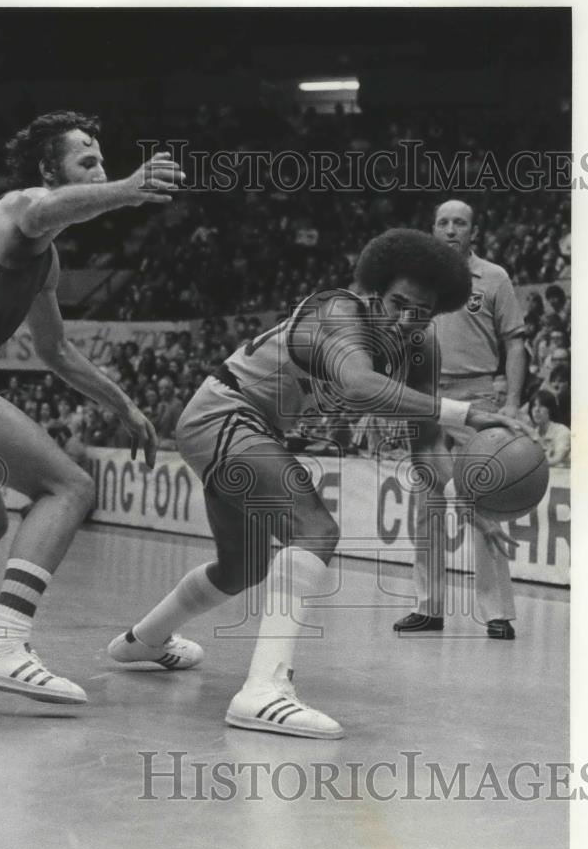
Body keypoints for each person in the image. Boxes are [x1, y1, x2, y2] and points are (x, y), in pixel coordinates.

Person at [105, 229, 524, 738]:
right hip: (225, 412)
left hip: (247, 426)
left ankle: (143, 640)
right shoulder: (338, 311)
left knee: (243, 567)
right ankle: (263, 690)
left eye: (420, 311)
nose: (404, 318)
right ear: (373, 291)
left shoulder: (420, 351)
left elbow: (426, 445)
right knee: (316, 531)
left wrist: (469, 502)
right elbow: (358, 384)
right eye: (397, 302)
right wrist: (469, 413)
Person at [0, 110, 184, 703]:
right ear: (50, 169)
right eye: (86, 162)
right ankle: (4, 645)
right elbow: (47, 209)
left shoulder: (44, 261)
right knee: (70, 487)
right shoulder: (18, 205)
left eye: (103, 161)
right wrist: (124, 191)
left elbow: (56, 352)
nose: (100, 169)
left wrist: (125, 406)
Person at [394, 200, 527, 640]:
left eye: (460, 223)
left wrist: (510, 402)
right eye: (444, 222)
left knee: (484, 503)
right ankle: (428, 607)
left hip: (478, 398)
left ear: (473, 231)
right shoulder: (415, 283)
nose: (451, 229)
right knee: (428, 506)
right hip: (428, 400)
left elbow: (514, 343)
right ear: (433, 230)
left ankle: (497, 611)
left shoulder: (494, 278)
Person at [528, 389, 570, 467]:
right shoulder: (532, 434)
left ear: (550, 409)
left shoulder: (562, 431)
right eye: (533, 405)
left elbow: (556, 460)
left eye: (542, 406)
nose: (536, 410)